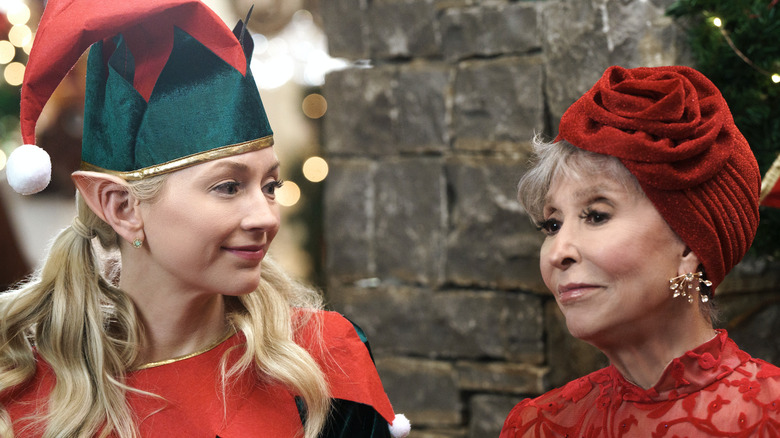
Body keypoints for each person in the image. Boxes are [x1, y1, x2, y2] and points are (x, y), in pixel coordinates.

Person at [0, 1, 410, 437]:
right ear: (121, 207)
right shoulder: (21, 389)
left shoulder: (322, 364)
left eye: (270, 185)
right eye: (228, 186)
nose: (266, 216)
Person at [500, 65, 780, 437]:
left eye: (596, 215)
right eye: (552, 225)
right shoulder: (538, 426)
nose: (558, 252)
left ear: (688, 244)